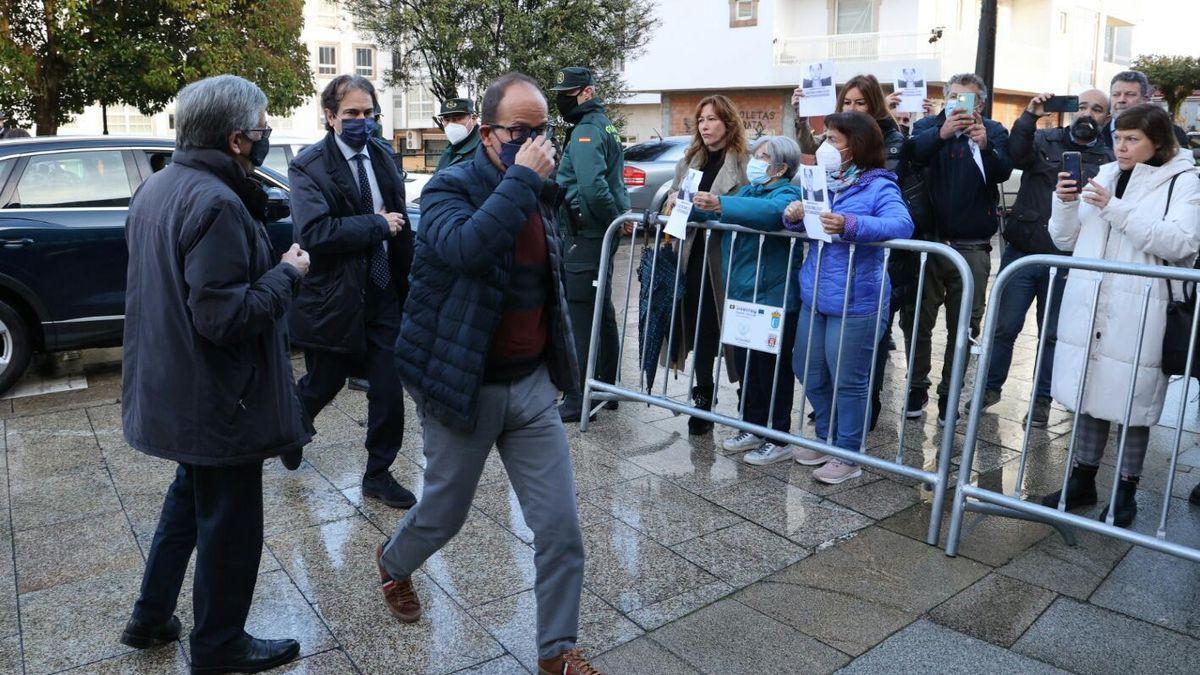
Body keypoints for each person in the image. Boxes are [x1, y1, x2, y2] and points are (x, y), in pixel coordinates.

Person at [384, 72, 600, 675]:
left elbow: (547, 283)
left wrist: (561, 368)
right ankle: (395, 564)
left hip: (530, 387)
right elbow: (468, 250)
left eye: (542, 131)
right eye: (520, 131)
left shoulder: (540, 189)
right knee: (444, 514)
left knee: (560, 527)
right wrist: (523, 180)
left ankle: (557, 651)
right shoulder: (450, 188)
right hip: (461, 385)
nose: (534, 141)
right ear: (485, 134)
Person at [118, 75, 310, 672]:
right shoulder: (217, 202)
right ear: (235, 139)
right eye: (261, 129)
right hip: (220, 402)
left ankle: (151, 617)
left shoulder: (160, 186)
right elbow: (225, 318)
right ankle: (220, 645)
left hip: (177, 389)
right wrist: (288, 272)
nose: (266, 138)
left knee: (186, 503)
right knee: (230, 528)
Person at [1041, 103, 1200, 527]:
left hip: (1142, 306)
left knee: (1134, 398)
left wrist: (1115, 208)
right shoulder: (1107, 174)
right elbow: (1064, 239)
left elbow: (1182, 242)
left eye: (1133, 140)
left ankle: (1126, 491)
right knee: (1091, 391)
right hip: (1091, 300)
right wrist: (1065, 202)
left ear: (1158, 141)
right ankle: (1081, 479)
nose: (1122, 147)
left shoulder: (1184, 181)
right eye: (1118, 138)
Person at [287, 75, 416, 508]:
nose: (362, 122)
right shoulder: (309, 166)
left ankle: (378, 473)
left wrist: (411, 279)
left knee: (387, 387)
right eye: (352, 114)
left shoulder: (381, 154)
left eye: (368, 113)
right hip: (336, 298)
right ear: (330, 117)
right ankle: (293, 425)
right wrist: (376, 225)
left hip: (383, 294)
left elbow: (401, 222)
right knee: (325, 381)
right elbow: (315, 232)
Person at [783, 111, 914, 484]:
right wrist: (793, 215)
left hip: (857, 299)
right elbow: (806, 222)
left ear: (856, 147)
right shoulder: (821, 181)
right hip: (816, 294)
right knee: (806, 367)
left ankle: (848, 452)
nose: (826, 146)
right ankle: (826, 435)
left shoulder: (879, 185)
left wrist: (851, 225)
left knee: (849, 380)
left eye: (835, 141)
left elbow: (901, 224)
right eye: (825, 138)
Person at [981, 89, 1113, 426]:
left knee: (1052, 334)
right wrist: (1029, 115)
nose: (1088, 113)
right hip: (1023, 249)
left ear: (1106, 118)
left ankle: (1041, 400)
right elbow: (1014, 154)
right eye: (1082, 106)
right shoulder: (1045, 137)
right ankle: (988, 389)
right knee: (1003, 327)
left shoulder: (1110, 157)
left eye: (1097, 109)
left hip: (1068, 259)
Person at [905, 73, 1013, 424]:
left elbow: (1001, 171)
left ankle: (949, 394)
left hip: (972, 247)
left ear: (979, 104)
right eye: (951, 97)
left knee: (964, 327)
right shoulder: (927, 126)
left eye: (965, 99)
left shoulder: (994, 131)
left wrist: (984, 146)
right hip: (929, 243)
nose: (957, 104)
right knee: (917, 321)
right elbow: (913, 155)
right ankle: (916, 387)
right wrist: (942, 133)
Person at [690, 136, 803, 464]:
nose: (755, 160)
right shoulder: (748, 190)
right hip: (742, 296)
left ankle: (778, 436)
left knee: (773, 368)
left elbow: (770, 214)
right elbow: (719, 208)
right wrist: (685, 200)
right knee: (748, 365)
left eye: (763, 156)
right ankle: (752, 425)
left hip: (772, 295)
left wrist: (720, 205)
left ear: (781, 167)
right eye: (756, 154)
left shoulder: (787, 193)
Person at [654, 95, 749, 435]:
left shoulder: (744, 162)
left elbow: (750, 205)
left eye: (712, 119)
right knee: (700, 327)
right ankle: (703, 396)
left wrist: (719, 206)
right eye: (701, 120)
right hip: (692, 256)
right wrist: (671, 201)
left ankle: (747, 395)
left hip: (727, 260)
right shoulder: (690, 160)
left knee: (735, 329)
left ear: (728, 123)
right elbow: (675, 198)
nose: (706, 126)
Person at [551, 66, 630, 423]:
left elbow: (592, 187)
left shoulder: (586, 130)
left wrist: (610, 220)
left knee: (582, 311)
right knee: (601, 307)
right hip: (598, 233)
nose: (562, 98)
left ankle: (579, 395)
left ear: (587, 92)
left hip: (587, 233)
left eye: (568, 92)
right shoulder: (603, 124)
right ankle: (606, 387)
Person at [1104, 70, 1189, 150]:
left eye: (1130, 94)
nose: (1121, 100)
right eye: (1116, 94)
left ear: (1145, 99)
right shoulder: (1096, 135)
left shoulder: (1172, 133)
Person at [435, 97, 481, 172]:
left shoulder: (484, 148)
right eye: (447, 120)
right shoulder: (450, 149)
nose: (451, 124)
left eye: (458, 119)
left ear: (473, 118)